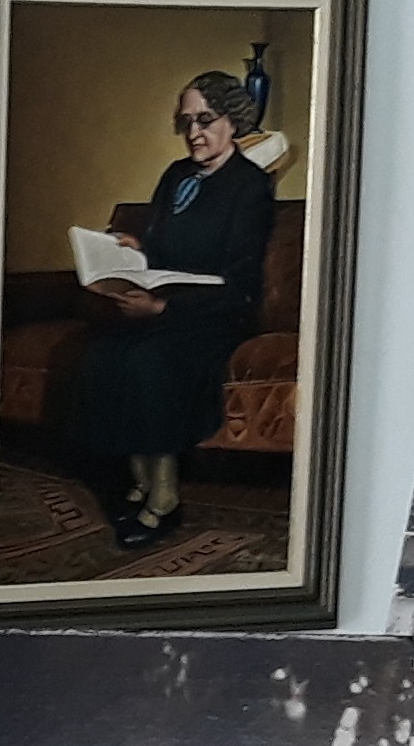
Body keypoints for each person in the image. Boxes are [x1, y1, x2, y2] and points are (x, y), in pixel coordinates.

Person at [66, 70, 287, 550]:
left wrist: (164, 307)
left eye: (206, 120)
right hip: (164, 306)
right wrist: (136, 249)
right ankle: (142, 477)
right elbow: (168, 254)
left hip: (215, 315)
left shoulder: (248, 187)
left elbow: (242, 282)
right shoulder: (175, 176)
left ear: (234, 121)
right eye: (186, 121)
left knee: (150, 361)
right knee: (105, 355)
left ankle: (163, 498)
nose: (194, 133)